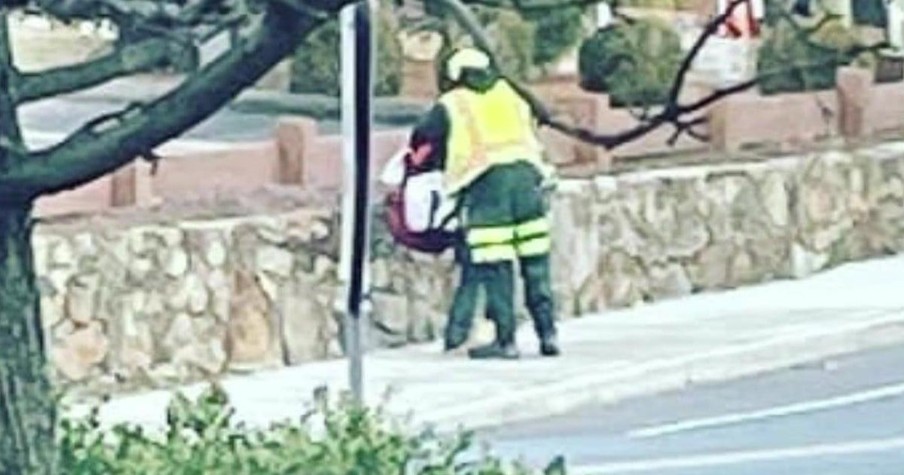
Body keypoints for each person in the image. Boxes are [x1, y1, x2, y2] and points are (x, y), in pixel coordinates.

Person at [407, 46, 561, 359]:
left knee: (496, 266)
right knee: (535, 263)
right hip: (528, 182)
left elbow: (421, 135)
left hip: (488, 189)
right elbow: (543, 114)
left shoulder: (452, 103)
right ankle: (548, 334)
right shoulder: (510, 92)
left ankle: (505, 341)